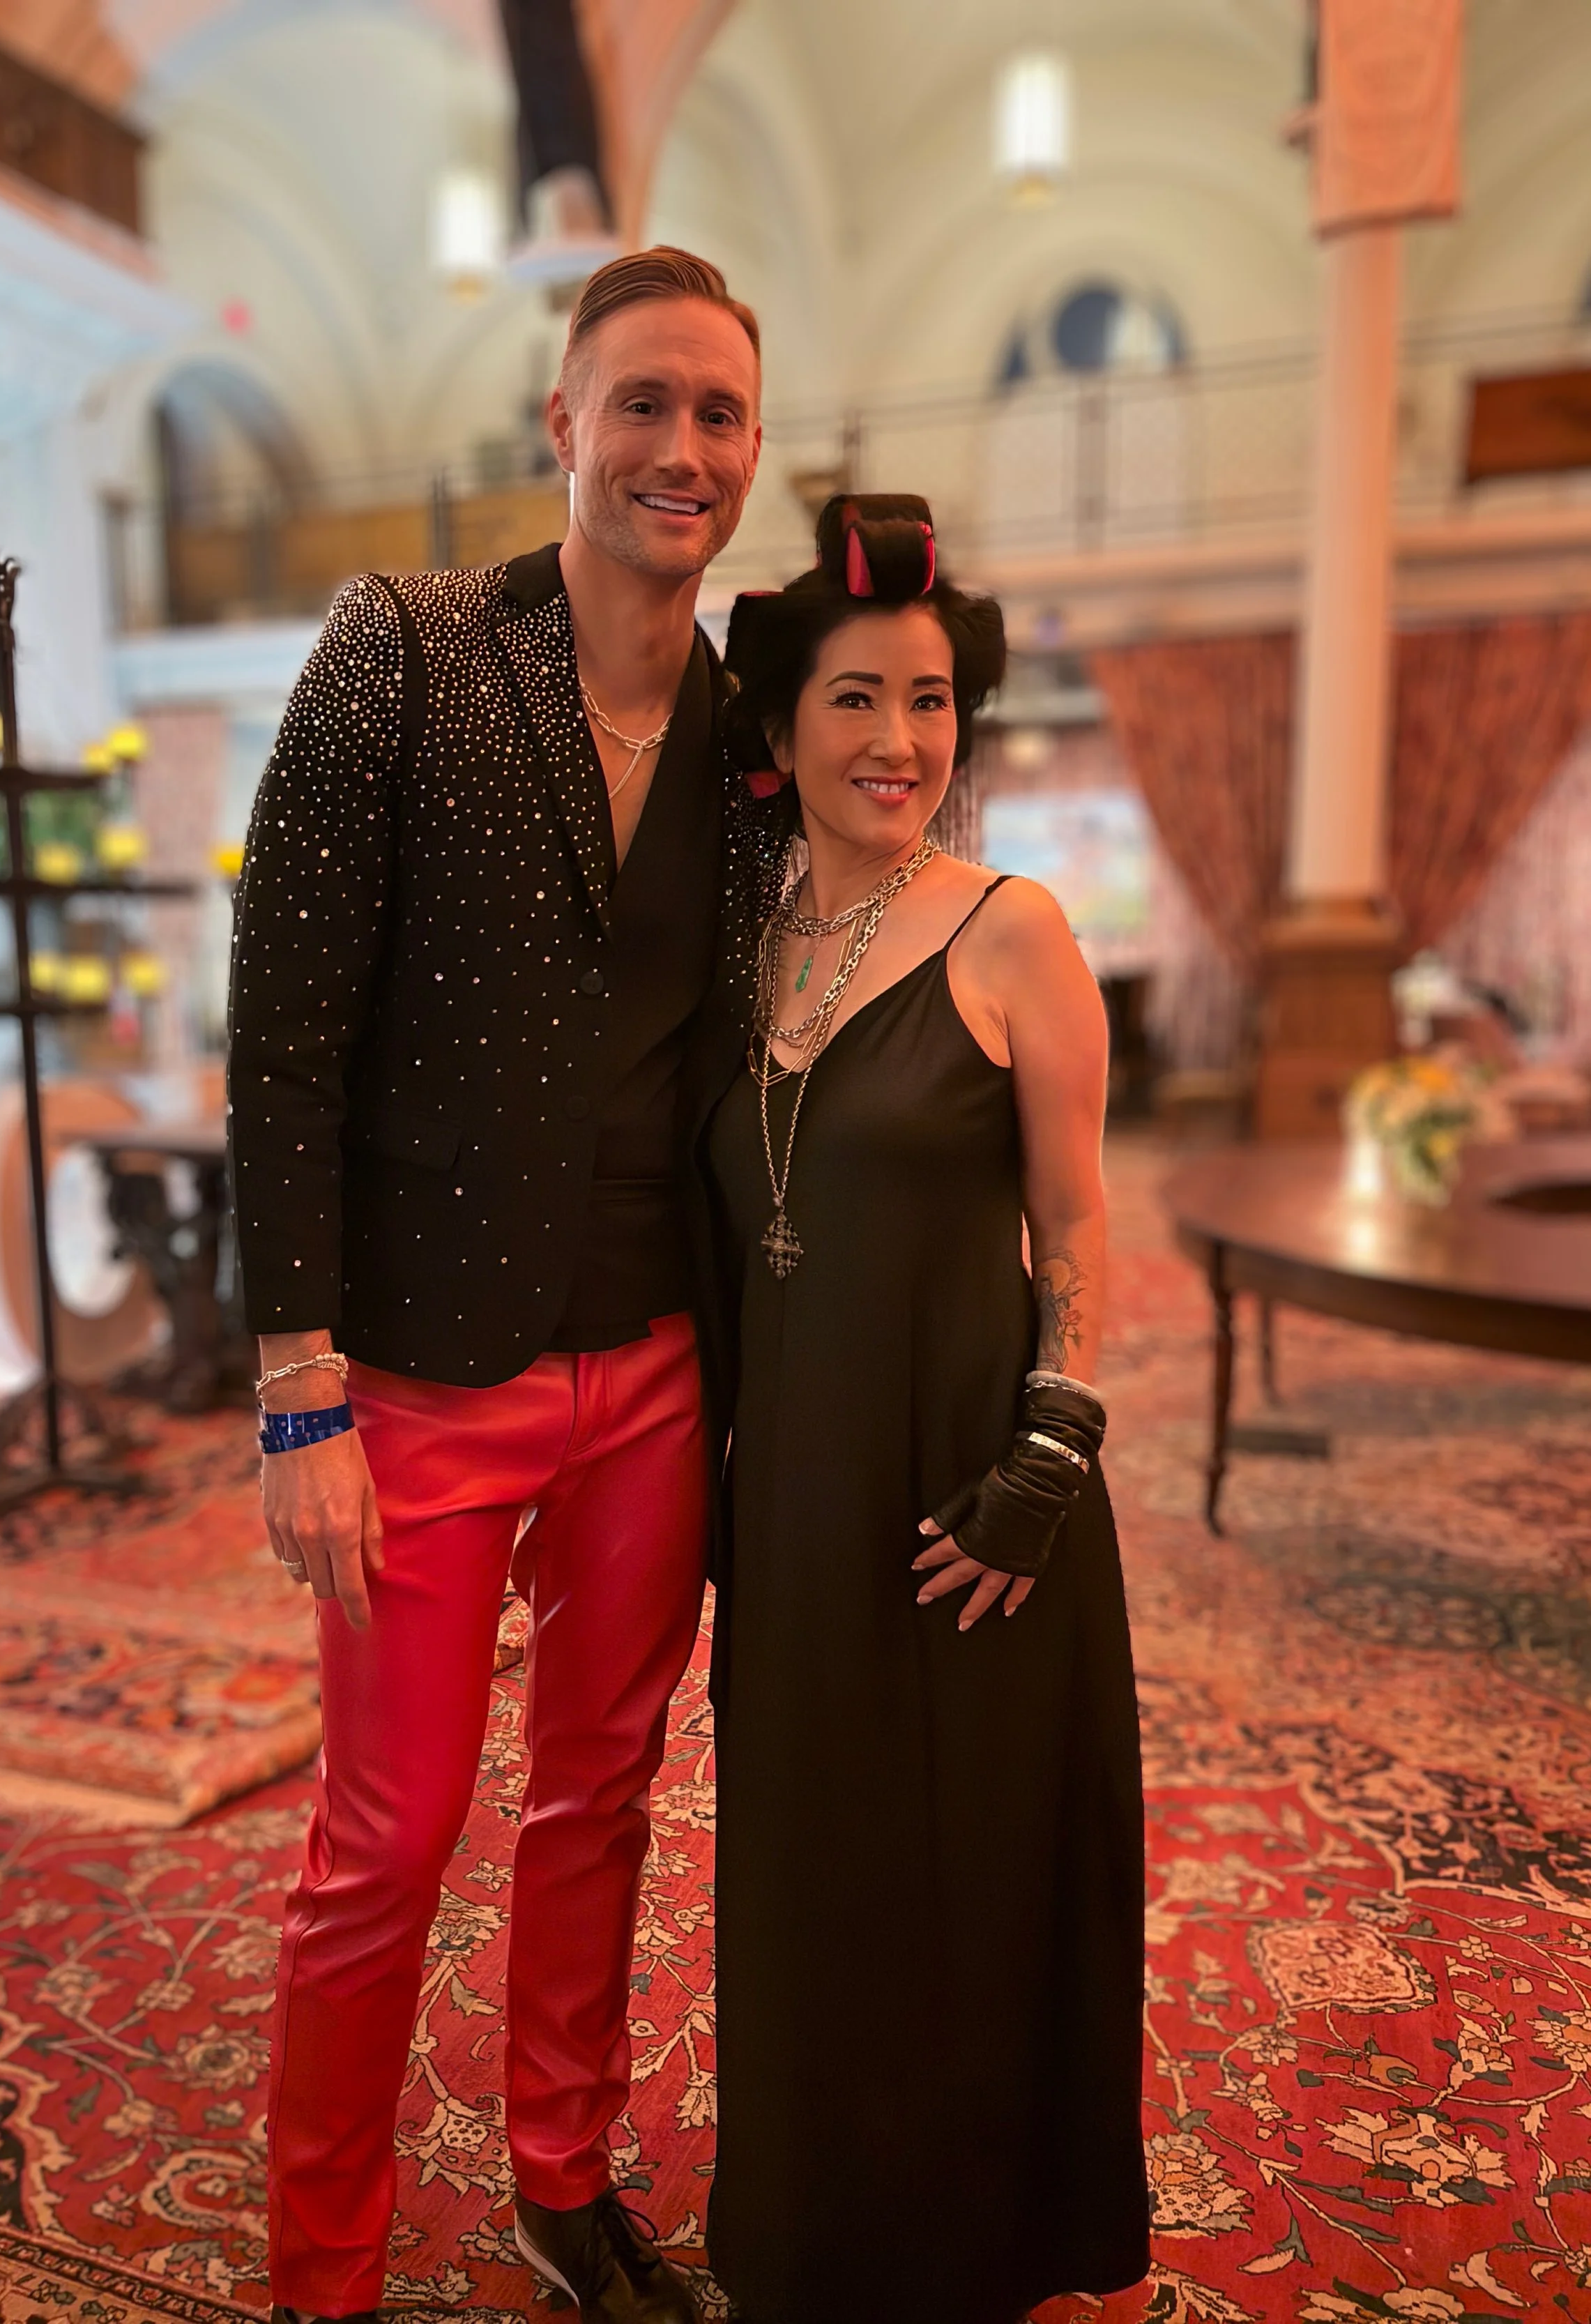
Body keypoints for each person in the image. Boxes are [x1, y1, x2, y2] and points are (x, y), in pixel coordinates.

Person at [227, 245, 769, 2324]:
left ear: (747, 456)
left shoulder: (746, 729)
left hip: (646, 1367)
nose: (678, 447)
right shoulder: (409, 643)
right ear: (560, 424)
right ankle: (321, 2270)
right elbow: (279, 1027)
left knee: (602, 1793)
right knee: (379, 1847)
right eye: (641, 402)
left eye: (716, 414)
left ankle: (562, 2177)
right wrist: (298, 1384)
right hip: (418, 1380)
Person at [694, 496, 1150, 2324]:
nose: (901, 742)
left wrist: (1049, 1450)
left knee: (971, 1885)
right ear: (786, 723)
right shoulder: (743, 947)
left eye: (935, 703)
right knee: (813, 1886)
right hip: (793, 1503)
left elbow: (1082, 1216)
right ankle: (816, 2239)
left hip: (977, 1492)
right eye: (860, 699)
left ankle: (990, 2249)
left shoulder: (1012, 929)